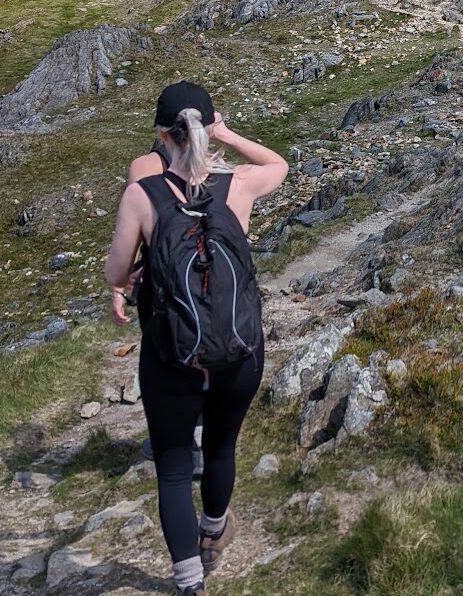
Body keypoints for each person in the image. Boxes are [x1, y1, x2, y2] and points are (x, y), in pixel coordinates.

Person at [106, 81, 288, 596]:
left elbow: (116, 271)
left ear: (163, 136)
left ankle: (189, 582)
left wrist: (124, 285)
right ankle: (214, 530)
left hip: (174, 357)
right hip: (238, 351)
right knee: (223, 445)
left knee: (171, 466)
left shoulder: (141, 195)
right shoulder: (241, 185)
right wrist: (226, 135)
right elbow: (280, 165)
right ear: (207, 128)